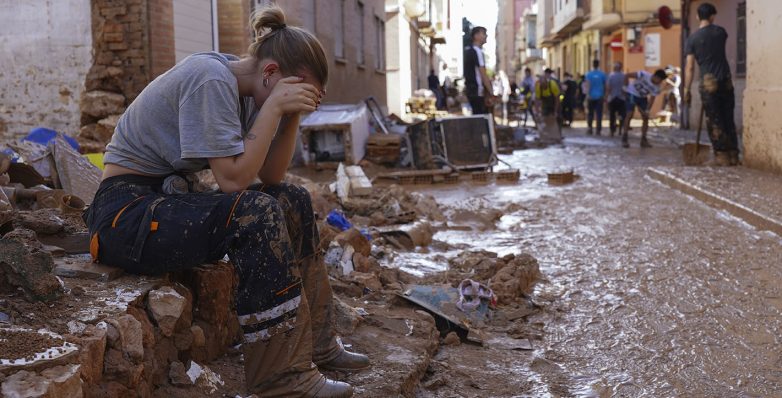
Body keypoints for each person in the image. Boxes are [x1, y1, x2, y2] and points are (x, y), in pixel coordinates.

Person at [84, 6, 367, 397]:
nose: (294, 97)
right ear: (270, 72)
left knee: (292, 199)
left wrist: (290, 115)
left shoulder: (252, 91)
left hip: (165, 199)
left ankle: (318, 344)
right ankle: (282, 380)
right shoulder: (210, 80)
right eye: (295, 88)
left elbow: (270, 176)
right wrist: (273, 107)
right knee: (256, 213)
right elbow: (233, 179)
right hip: (124, 214)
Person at [683, 3, 739, 165]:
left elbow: (690, 66)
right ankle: (734, 154)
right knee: (728, 118)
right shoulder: (721, 32)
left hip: (708, 83)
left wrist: (687, 89)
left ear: (697, 17)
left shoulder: (692, 39)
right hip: (726, 80)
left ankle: (721, 156)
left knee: (714, 120)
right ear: (713, 16)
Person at [621, 69, 668, 148]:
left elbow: (652, 99)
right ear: (656, 76)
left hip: (642, 98)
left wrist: (647, 110)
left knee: (645, 118)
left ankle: (643, 139)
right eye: (660, 80)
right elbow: (627, 75)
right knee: (629, 114)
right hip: (631, 94)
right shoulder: (643, 74)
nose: (660, 82)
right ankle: (625, 137)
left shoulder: (656, 87)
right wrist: (625, 87)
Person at [463, 26, 495, 114]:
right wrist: (491, 91)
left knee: (476, 116)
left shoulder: (469, 51)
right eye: (483, 34)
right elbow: (483, 73)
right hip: (477, 91)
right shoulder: (477, 51)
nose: (486, 36)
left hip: (471, 90)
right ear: (476, 36)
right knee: (481, 118)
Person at [535, 68, 562, 142]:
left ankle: (558, 135)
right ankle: (547, 136)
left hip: (555, 102)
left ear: (546, 83)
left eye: (544, 86)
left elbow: (557, 99)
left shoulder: (552, 85)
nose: (544, 87)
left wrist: (555, 111)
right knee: (545, 118)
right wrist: (537, 111)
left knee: (557, 118)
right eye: (542, 86)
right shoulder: (538, 87)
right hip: (546, 103)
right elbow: (537, 100)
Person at [585, 59, 608, 135]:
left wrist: (587, 95)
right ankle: (598, 129)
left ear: (593, 64)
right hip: (599, 96)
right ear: (598, 65)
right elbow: (605, 85)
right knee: (599, 114)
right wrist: (605, 95)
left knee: (590, 113)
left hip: (591, 97)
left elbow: (587, 85)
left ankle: (590, 128)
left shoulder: (589, 74)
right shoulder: (602, 74)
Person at [607, 62, 627, 137]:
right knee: (622, 114)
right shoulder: (624, 76)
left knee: (612, 115)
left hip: (613, 98)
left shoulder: (611, 76)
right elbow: (626, 86)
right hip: (622, 98)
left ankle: (612, 130)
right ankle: (620, 130)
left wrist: (607, 96)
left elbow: (609, 87)